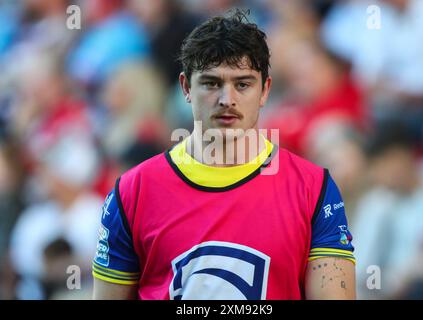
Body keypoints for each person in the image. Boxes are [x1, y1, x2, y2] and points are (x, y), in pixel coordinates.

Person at [92, 10, 356, 300]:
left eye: (242, 84)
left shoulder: (313, 188)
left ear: (265, 90)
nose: (226, 99)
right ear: (185, 87)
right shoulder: (133, 191)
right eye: (211, 83)